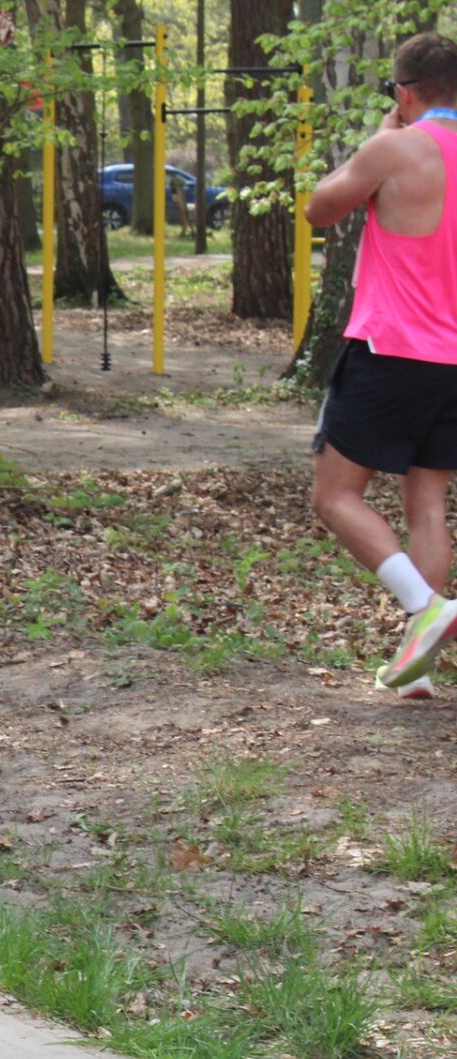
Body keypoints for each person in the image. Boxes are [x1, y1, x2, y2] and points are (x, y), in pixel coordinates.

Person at [307, 32, 457, 696]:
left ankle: (425, 608)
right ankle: (419, 665)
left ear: (403, 91)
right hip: (454, 360)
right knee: (427, 501)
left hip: (393, 349)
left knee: (335, 495)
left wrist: (379, 135)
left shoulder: (395, 148)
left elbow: (319, 208)